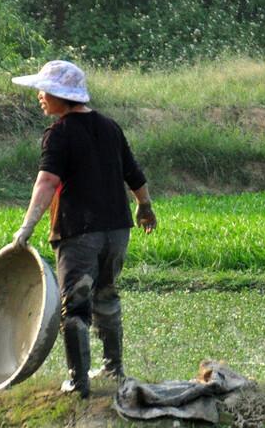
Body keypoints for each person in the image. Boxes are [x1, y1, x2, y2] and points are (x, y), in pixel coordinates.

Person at [10, 60, 157, 398]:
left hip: (79, 232)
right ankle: (112, 369)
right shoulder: (110, 127)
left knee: (75, 304)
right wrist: (145, 207)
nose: (40, 97)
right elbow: (134, 174)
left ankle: (78, 381)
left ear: (62, 95)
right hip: (117, 230)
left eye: (44, 91)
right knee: (106, 295)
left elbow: (47, 182)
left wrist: (26, 227)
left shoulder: (59, 134)